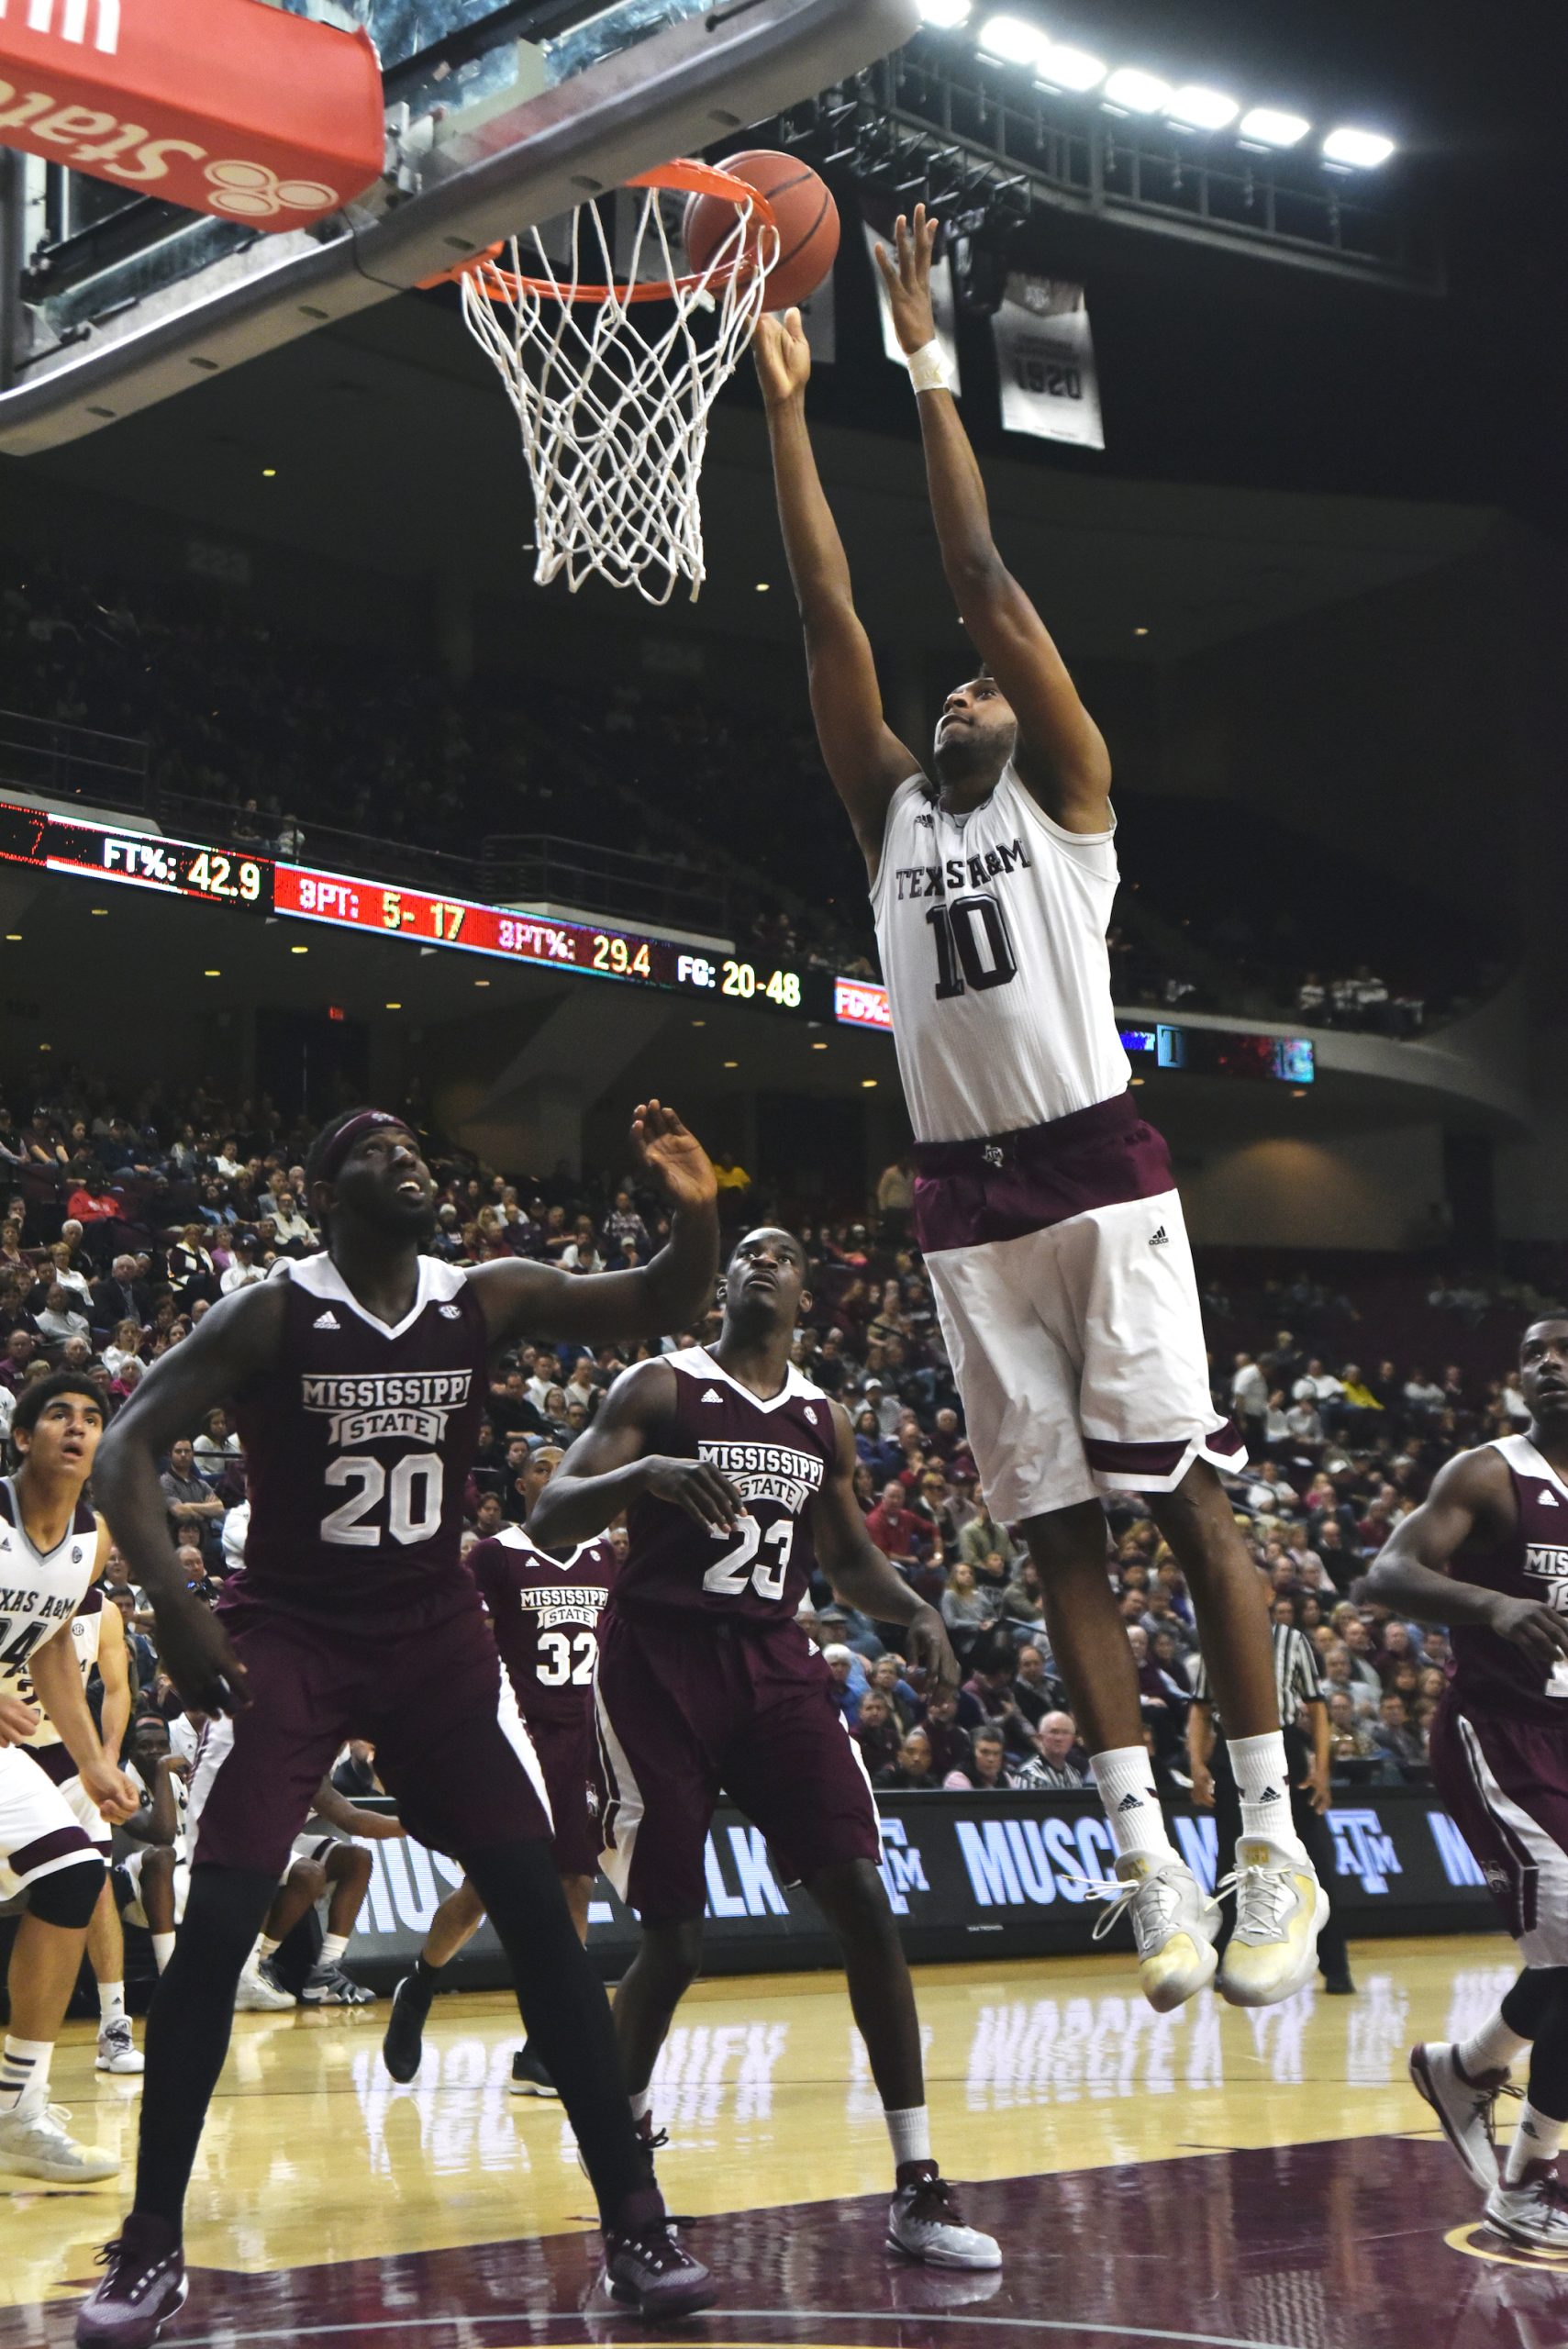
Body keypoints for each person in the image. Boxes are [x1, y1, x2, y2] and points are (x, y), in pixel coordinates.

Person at [756, 214, 1321, 2018]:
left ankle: (1267, 1844)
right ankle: (1142, 1861)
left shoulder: (1065, 794)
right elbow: (829, 610)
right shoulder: (886, 810)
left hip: (1094, 1168)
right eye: (960, 684)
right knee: (1058, 1542)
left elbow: (972, 565)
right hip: (960, 1207)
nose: (965, 682)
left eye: (988, 678)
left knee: (1190, 1514)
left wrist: (920, 361)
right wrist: (781, 409)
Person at [75, 1102, 722, 2343]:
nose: (408, 1159)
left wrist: (696, 1216)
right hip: (292, 1634)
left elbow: (655, 1298)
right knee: (214, 1928)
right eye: (376, 1150)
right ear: (325, 1191)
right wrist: (172, 1605)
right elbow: (126, 1451)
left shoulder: (484, 1293)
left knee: (538, 1912)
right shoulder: (271, 1311)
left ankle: (635, 2219)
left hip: (432, 1637)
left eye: (414, 1146)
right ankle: (151, 2243)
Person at [531, 1226, 1001, 2269]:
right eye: (744, 1250)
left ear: (803, 1295)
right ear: (725, 1282)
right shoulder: (659, 1387)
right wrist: (643, 1475)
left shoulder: (820, 1416)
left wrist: (914, 1606)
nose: (758, 1260)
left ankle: (918, 2183)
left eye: (782, 1253)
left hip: (774, 1663)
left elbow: (844, 1558)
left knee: (863, 1901)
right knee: (677, 1942)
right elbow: (550, 1507)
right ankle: (627, 2183)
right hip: (657, 1663)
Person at [1362, 1317, 1568, 2253]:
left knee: (1563, 1969)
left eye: (1564, 1350)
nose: (1548, 1365)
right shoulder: (1487, 1473)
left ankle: (1464, 2070)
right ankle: (1526, 2184)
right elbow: (1385, 1570)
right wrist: (1489, 1601)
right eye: (1531, 1353)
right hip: (1498, 1736)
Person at [381, 1442, 617, 2095]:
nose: (557, 1471)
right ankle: (421, 1984)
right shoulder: (494, 1556)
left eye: (566, 1462)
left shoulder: (603, 1556)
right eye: (542, 1465)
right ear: (520, 1486)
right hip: (514, 1736)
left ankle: (546, 2044)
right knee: (490, 1888)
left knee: (574, 1884)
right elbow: (457, 1647)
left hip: (582, 1738)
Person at [0, 1374, 140, 2180]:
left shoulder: (91, 1538)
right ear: (24, 1438)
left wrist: (92, 1759)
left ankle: (19, 2109)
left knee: (75, 1872)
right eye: (57, 1414)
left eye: (92, 1417)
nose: (76, 1427)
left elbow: (53, 1639)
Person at [15, 1529, 141, 2073]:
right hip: (10, 1755)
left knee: (92, 1878)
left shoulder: (104, 1614)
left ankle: (114, 2023)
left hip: (68, 1757)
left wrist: (107, 1757)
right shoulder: (17, 1581)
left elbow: (117, 1689)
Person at [1184, 1620, 1353, 1995]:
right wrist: (1196, 1763)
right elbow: (1199, 1709)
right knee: (1229, 1861)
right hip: (1230, 1749)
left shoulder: (1293, 1640)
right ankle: (1226, 1961)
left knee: (1314, 1858)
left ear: (1268, 1591)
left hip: (1284, 1747)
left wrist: (1322, 1769)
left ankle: (1335, 1966)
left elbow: (1317, 1707)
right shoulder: (1216, 1639)